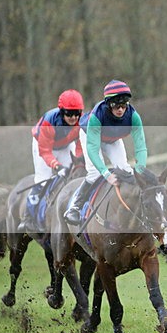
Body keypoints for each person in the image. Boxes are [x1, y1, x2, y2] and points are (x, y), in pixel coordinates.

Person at [63, 80, 148, 226]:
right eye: (116, 106)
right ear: (109, 104)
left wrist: (140, 170)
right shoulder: (97, 116)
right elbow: (93, 150)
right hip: (90, 136)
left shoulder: (134, 117)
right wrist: (106, 173)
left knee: (126, 170)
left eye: (123, 105)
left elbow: (141, 147)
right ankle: (74, 207)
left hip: (112, 139)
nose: (120, 110)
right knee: (94, 173)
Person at [18, 89, 84, 233]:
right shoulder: (49, 121)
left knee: (71, 176)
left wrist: (78, 160)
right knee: (43, 178)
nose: (73, 117)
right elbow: (45, 151)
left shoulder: (82, 121)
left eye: (76, 113)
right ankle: (28, 218)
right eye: (69, 113)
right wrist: (57, 166)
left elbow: (80, 143)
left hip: (65, 145)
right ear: (61, 112)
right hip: (44, 145)